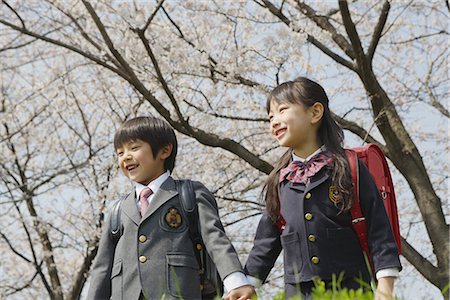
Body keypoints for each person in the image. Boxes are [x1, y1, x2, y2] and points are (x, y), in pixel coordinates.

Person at [244, 77, 401, 300]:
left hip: (351, 290)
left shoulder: (350, 167)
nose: (274, 122)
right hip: (298, 294)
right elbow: (265, 243)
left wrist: (385, 288)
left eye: (282, 110)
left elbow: (379, 230)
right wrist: (248, 283)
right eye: (270, 117)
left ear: (315, 112)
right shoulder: (279, 181)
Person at [87, 116, 255, 300]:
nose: (126, 156)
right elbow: (102, 269)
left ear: (165, 150)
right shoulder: (117, 210)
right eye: (120, 153)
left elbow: (215, 239)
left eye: (134, 148)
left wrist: (235, 281)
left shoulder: (189, 194)